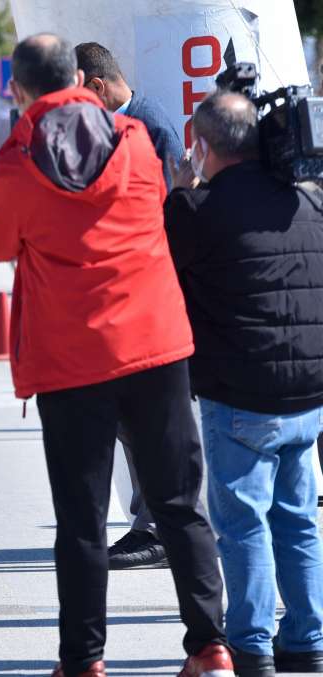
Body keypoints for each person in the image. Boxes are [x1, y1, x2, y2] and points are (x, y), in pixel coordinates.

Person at [0, 34, 232, 677]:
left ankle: (84, 661)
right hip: (156, 344)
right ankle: (211, 649)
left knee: (82, 522)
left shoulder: (16, 161)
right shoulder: (138, 143)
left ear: (19, 88)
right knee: (179, 505)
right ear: (81, 79)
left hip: (71, 356)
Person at [166, 91, 323, 677]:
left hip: (240, 392)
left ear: (203, 145)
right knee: (298, 514)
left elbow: (164, 273)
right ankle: (307, 640)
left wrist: (179, 191)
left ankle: (251, 645)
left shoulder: (196, 210)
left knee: (242, 521)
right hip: (308, 391)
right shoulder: (307, 202)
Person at [75, 41, 186, 570]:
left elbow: (163, 218)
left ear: (97, 86)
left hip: (147, 299)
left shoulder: (147, 126)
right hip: (124, 299)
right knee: (127, 419)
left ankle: (157, 528)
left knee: (145, 420)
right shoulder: (118, 125)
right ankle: (153, 522)